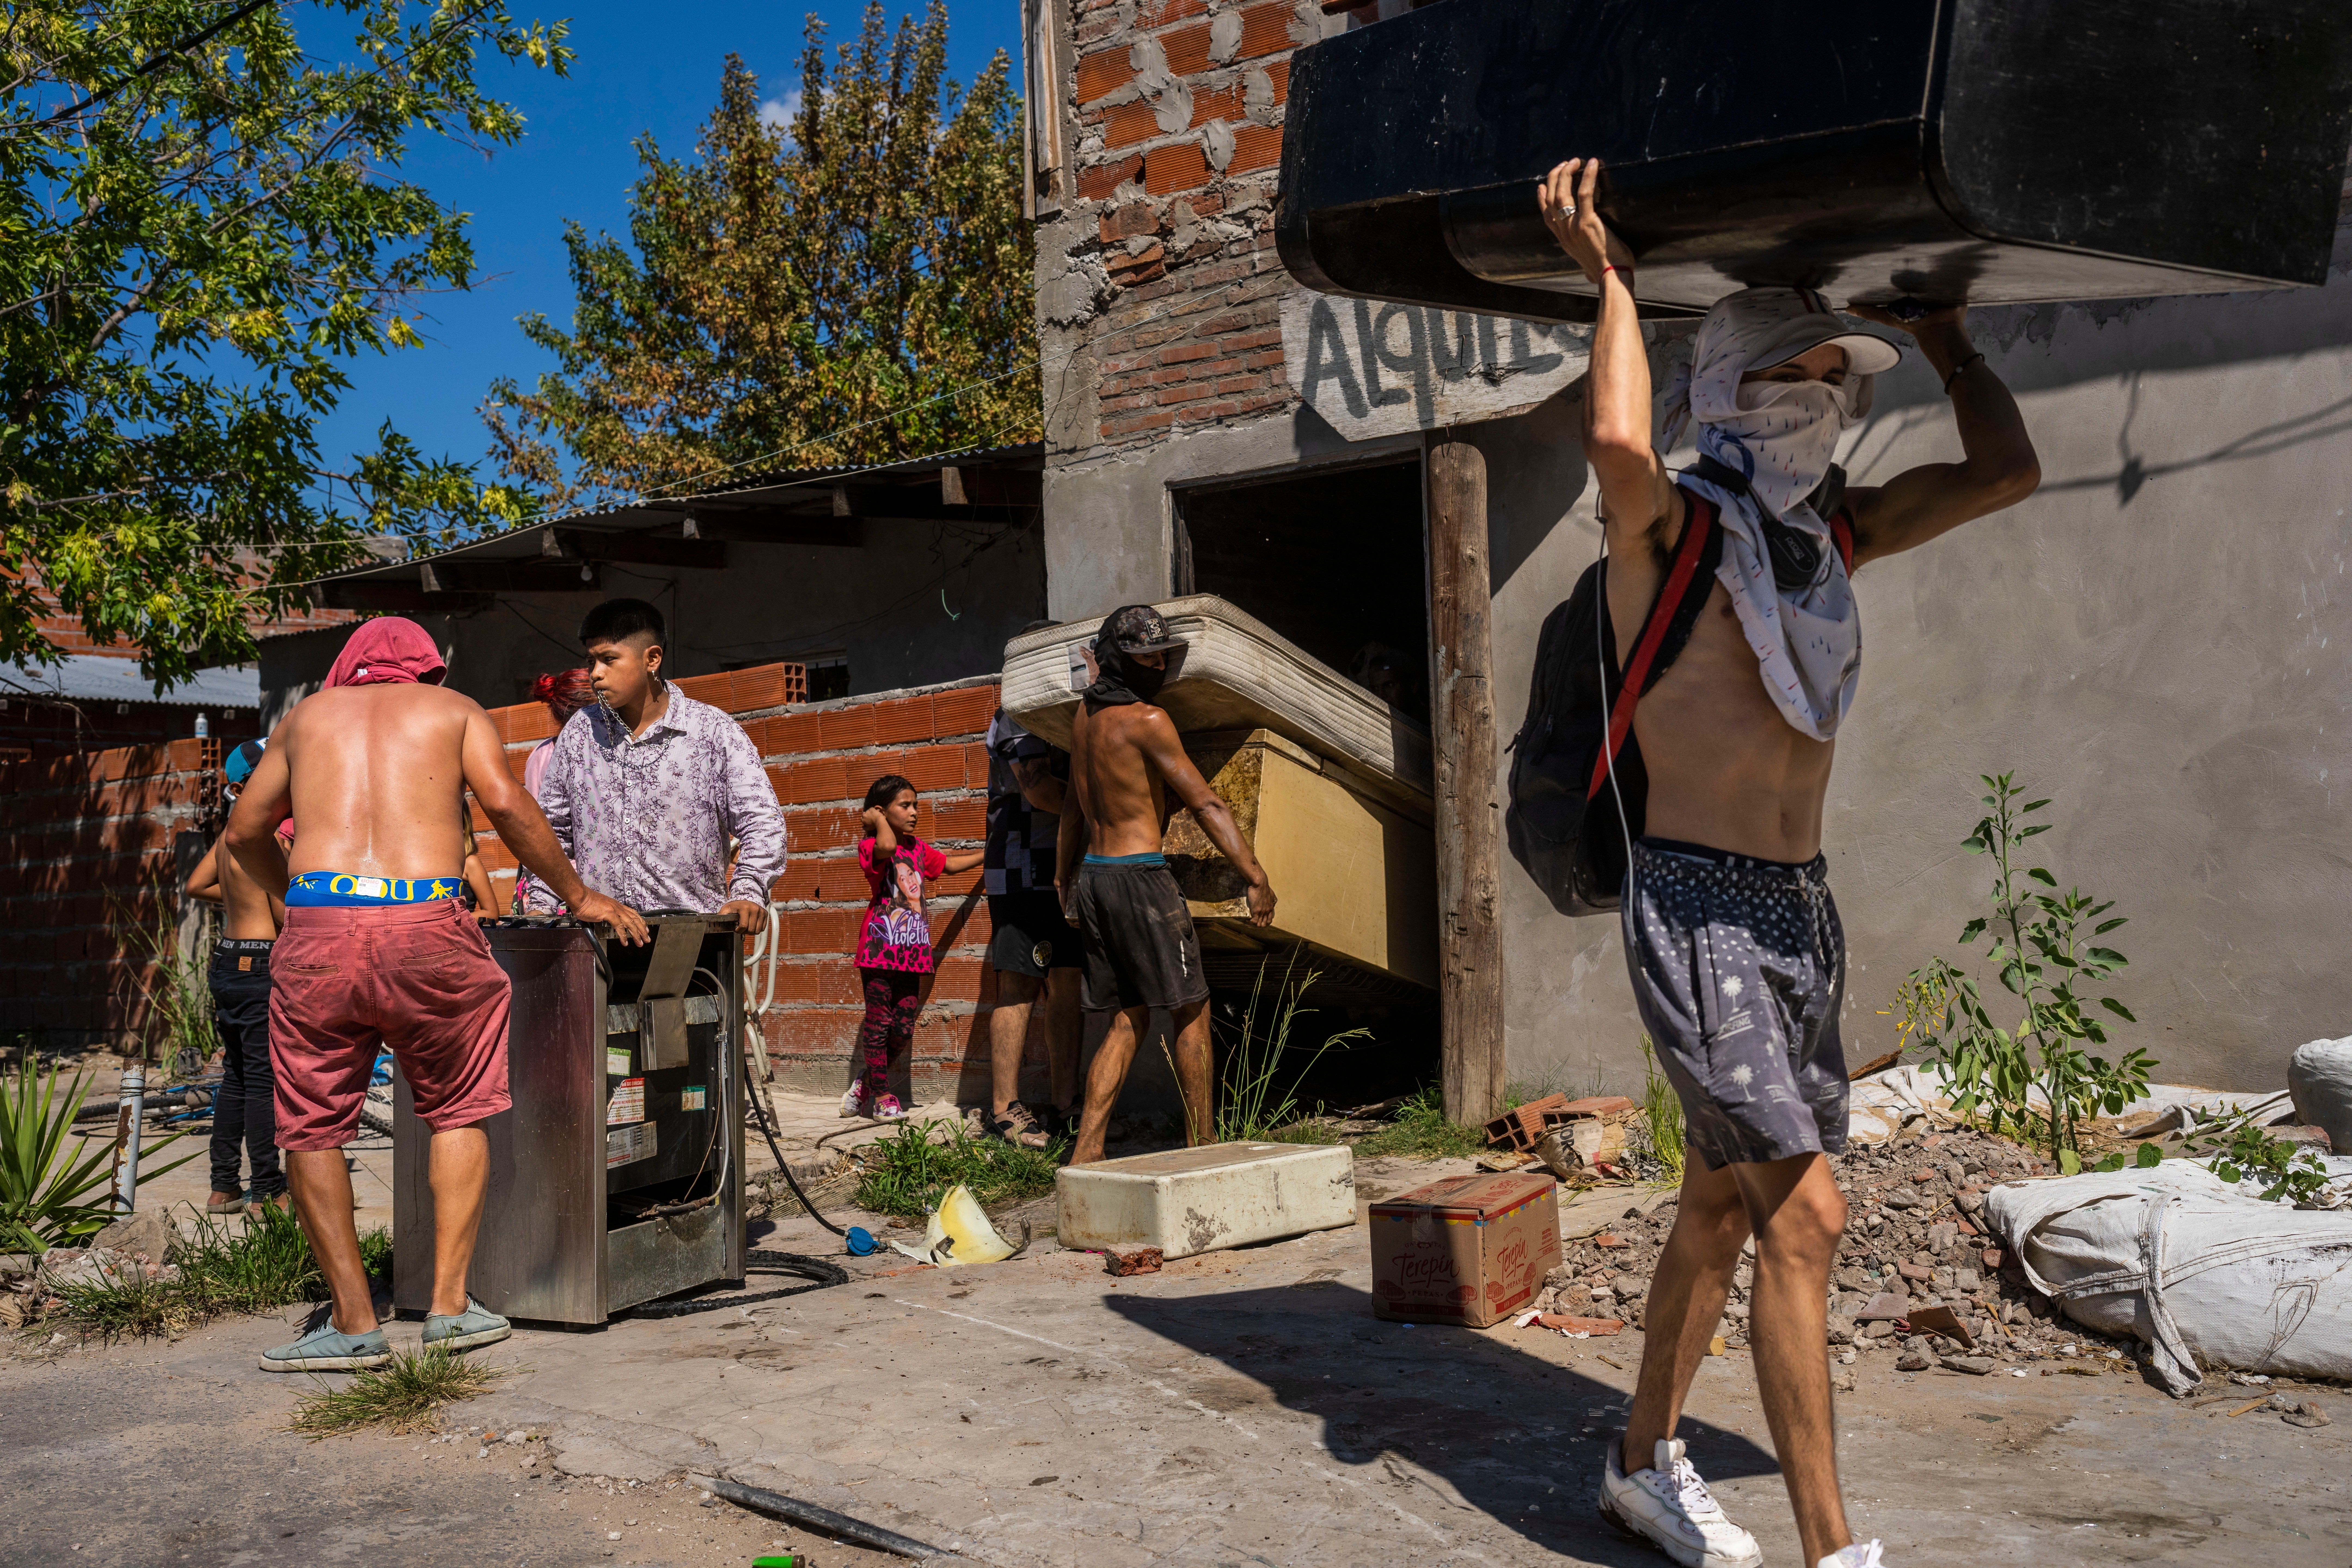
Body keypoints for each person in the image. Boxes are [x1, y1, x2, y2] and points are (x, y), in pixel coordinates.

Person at [1538, 157, 2041, 1568]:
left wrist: (1948, 341)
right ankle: (1837, 1556)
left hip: (1797, 916)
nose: (1825, 396)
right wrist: (1614, 285)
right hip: (1695, 910)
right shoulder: (1671, 534)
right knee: (1805, 1217)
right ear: (1731, 391)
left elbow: (2008, 470)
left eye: (1840, 377)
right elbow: (1621, 454)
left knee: (1721, 1204)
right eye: (1796, 373)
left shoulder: (1830, 544)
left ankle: (1641, 1464)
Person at [225, 617, 649, 1373]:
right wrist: (580, 896)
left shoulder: (304, 719)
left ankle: (355, 1325)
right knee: (457, 1108)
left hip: (320, 923)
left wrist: (295, 896)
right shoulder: (454, 712)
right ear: (429, 669)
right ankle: (451, 1310)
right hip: (427, 920)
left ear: (348, 668)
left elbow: (245, 829)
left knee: (314, 1128)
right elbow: (509, 806)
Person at [1058, 605, 1277, 1165]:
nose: (1155, 665)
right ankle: (1203, 1148)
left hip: (1095, 878)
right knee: (1191, 1010)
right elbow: (1205, 801)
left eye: (1161, 654)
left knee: (1128, 1018)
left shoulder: (1083, 719)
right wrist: (1255, 875)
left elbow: (1070, 814)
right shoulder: (1146, 720)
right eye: (1143, 657)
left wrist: (1064, 879)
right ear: (1116, 657)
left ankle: (1085, 1157)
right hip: (1140, 880)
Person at [522, 601, 784, 933]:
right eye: (591, 662)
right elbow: (551, 831)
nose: (596, 674)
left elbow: (764, 823)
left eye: (609, 659)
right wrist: (542, 906)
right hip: (599, 940)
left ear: (652, 659)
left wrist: (749, 891)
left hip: (692, 940)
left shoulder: (713, 731)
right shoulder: (580, 733)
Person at [184, 740, 288, 1218]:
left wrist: (237, 904)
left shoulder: (230, 836)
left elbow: (195, 885)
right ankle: (268, 1190)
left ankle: (224, 1186)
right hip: (261, 965)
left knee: (237, 1077)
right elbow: (285, 912)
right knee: (263, 1080)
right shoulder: (263, 837)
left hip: (228, 961)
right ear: (249, 783)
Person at [848, 774, 983, 1120]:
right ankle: (881, 1097)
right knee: (878, 1026)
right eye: (905, 805)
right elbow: (888, 848)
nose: (914, 812)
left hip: (913, 955)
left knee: (904, 1028)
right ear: (881, 811)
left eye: (916, 805)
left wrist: (989, 854)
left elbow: (949, 866)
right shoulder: (873, 848)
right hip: (880, 952)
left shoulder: (919, 848)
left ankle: (865, 1084)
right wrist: (876, 820)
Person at [980, 699, 1082, 1149]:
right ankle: (1004, 1109)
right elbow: (1039, 788)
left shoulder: (1064, 712)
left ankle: (1067, 1107)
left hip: (1065, 868)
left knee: (1066, 984)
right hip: (1022, 871)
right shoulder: (1017, 714)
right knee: (1019, 984)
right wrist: (1101, 810)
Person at [512, 667, 597, 915]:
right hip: (560, 894)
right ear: (582, 714)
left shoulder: (542, 754)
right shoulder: (546, 757)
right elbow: (544, 833)